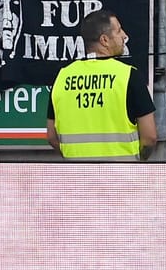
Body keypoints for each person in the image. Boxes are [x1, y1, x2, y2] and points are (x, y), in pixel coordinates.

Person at [48, 9, 158, 160]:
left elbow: (52, 137)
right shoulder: (129, 76)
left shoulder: (62, 76)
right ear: (104, 40)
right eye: (119, 31)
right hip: (121, 177)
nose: (124, 36)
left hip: (76, 178)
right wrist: (138, 160)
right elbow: (149, 138)